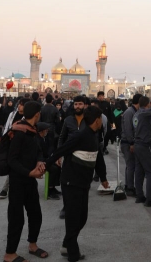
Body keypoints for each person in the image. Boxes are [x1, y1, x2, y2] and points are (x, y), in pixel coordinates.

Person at [46, 105, 108, 262]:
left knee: (82, 218)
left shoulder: (94, 136)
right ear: (97, 120)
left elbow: (98, 158)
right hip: (71, 182)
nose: (102, 121)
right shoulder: (80, 136)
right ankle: (72, 254)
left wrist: (103, 178)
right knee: (73, 219)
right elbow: (61, 150)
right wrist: (45, 166)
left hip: (83, 183)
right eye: (101, 118)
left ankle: (66, 244)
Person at [3, 101, 48, 262]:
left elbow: (38, 151)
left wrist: (39, 162)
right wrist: (29, 172)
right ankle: (9, 254)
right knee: (16, 218)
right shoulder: (20, 132)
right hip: (18, 181)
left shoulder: (33, 131)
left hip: (30, 181)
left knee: (35, 214)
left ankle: (32, 245)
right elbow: (12, 160)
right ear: (37, 114)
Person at [0, 99, 25, 200]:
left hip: (22, 144)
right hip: (11, 142)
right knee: (12, 165)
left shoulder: (28, 117)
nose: (19, 106)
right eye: (19, 104)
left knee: (17, 166)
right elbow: (7, 127)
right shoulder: (12, 114)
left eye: (22, 105)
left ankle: (7, 189)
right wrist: (4, 138)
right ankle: (6, 188)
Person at [35, 121, 62, 200]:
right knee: (53, 169)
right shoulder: (36, 140)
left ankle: (53, 187)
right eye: (45, 129)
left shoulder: (46, 138)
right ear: (41, 131)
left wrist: (54, 158)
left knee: (58, 167)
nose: (47, 130)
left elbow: (50, 150)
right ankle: (50, 190)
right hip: (38, 161)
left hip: (45, 159)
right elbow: (39, 154)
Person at [121, 93, 141, 197]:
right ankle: (130, 188)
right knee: (131, 165)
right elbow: (128, 129)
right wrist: (131, 143)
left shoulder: (135, 111)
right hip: (127, 143)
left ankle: (129, 185)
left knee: (130, 165)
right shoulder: (129, 112)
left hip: (131, 142)